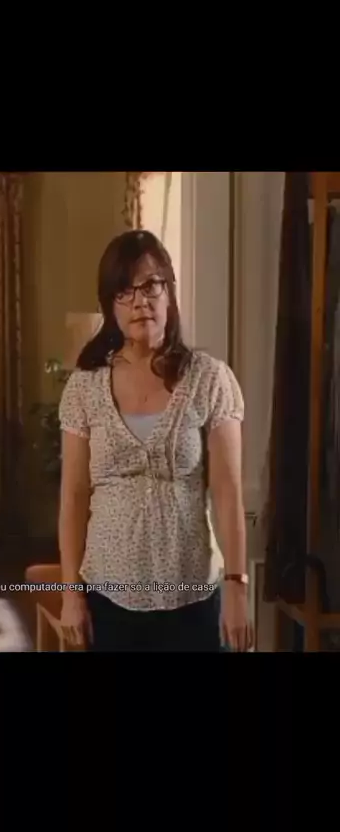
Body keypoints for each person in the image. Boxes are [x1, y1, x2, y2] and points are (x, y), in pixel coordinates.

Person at [58, 230, 253, 652]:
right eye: (124, 291)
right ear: (110, 305)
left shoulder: (209, 379)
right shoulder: (84, 387)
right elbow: (73, 497)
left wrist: (237, 587)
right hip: (108, 598)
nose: (139, 301)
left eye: (150, 285)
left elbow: (228, 492)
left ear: (169, 291)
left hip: (193, 597)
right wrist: (71, 595)